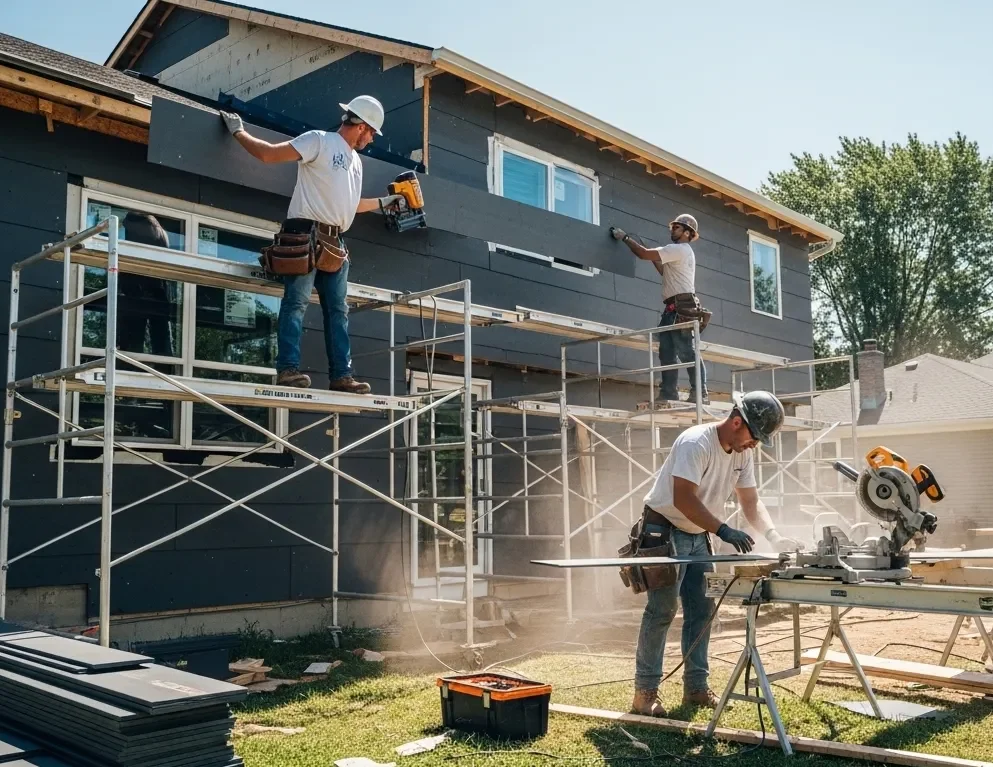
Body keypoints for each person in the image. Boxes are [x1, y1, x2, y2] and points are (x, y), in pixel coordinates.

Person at [630, 390, 800, 716]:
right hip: (664, 531)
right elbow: (683, 499)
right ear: (737, 422)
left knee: (703, 611)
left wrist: (774, 536)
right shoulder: (696, 443)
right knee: (662, 611)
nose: (756, 444)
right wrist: (722, 529)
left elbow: (750, 501)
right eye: (755, 436)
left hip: (698, 534)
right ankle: (645, 693)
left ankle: (695, 688)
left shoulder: (742, 452)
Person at [219, 96, 404, 393]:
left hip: (335, 242)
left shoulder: (356, 162)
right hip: (305, 234)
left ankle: (341, 376)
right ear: (363, 126)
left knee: (338, 311)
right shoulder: (319, 141)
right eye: (371, 133)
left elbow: (351, 204)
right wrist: (238, 132)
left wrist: (384, 202)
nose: (371, 139)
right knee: (296, 304)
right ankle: (288, 370)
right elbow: (268, 155)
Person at [611, 214, 708, 404]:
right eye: (672, 228)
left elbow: (643, 254)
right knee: (667, 352)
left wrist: (625, 238)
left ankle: (700, 393)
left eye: (676, 228)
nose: (672, 231)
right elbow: (665, 271)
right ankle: (669, 392)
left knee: (687, 351)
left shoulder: (679, 249)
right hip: (673, 308)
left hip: (682, 306)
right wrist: (650, 254)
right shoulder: (679, 253)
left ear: (687, 233)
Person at [118, 212, 175, 357]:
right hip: (155, 290)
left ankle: (130, 363)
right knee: (160, 338)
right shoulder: (158, 230)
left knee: (134, 338)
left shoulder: (143, 225)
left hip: (142, 290)